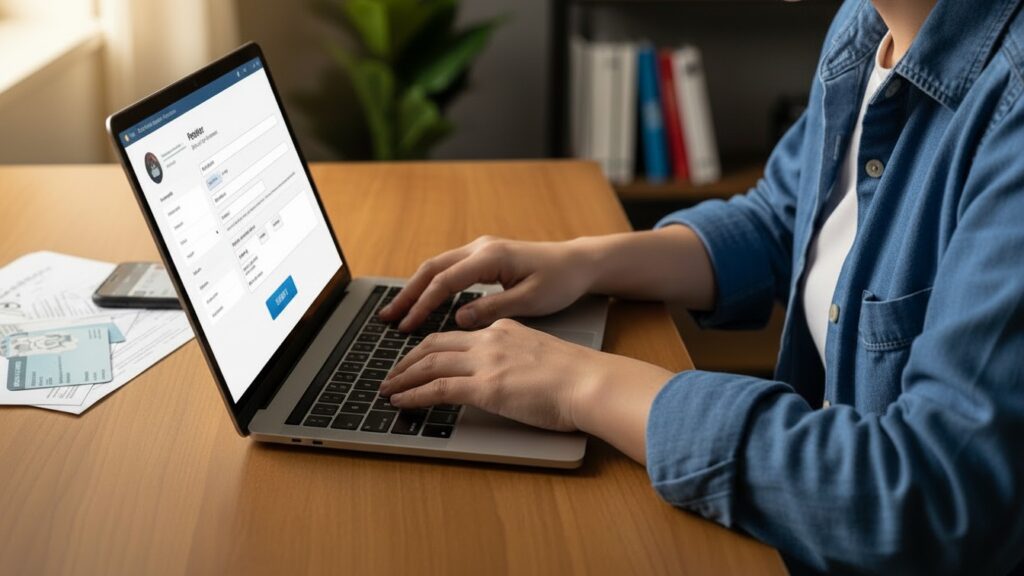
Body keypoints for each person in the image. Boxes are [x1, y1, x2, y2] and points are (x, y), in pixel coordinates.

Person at [378, 0, 1024, 573]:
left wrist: (584, 385)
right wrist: (585, 262)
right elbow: (787, 219)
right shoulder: (869, 21)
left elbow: (932, 494)